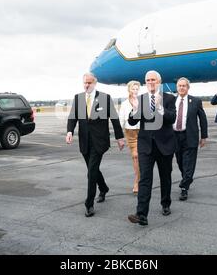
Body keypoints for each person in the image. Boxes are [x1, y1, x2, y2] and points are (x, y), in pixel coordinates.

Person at [66, 72, 125, 217]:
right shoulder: (78, 98)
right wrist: (69, 132)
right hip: (85, 141)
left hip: (99, 141)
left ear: (95, 83)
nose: (87, 85)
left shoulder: (105, 98)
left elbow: (114, 118)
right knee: (93, 169)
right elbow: (72, 117)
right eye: (85, 83)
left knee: (91, 171)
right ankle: (103, 188)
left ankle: (89, 204)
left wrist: (119, 137)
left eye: (89, 83)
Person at [127, 70, 176, 226]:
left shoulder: (169, 98)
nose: (150, 82)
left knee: (165, 177)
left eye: (153, 80)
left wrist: (160, 107)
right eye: (148, 80)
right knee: (145, 179)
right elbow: (133, 122)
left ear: (159, 81)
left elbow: (171, 118)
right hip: (146, 145)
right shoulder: (140, 99)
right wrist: (135, 109)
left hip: (165, 144)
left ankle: (165, 203)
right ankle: (141, 214)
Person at [173, 77, 208, 201]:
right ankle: (186, 178)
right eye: (179, 86)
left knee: (189, 163)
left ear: (188, 87)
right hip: (175, 136)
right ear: (177, 87)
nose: (181, 88)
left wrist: (204, 136)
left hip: (190, 136)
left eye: (184, 86)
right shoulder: (171, 101)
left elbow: (203, 119)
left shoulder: (196, 101)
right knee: (180, 162)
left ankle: (184, 187)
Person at [118, 80, 141, 193]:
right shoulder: (124, 104)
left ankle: (141, 178)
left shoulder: (142, 102)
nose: (135, 91)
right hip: (130, 133)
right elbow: (121, 120)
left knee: (142, 157)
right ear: (129, 90)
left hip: (142, 132)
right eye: (133, 89)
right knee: (135, 156)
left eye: (137, 89)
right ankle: (137, 181)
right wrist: (119, 137)